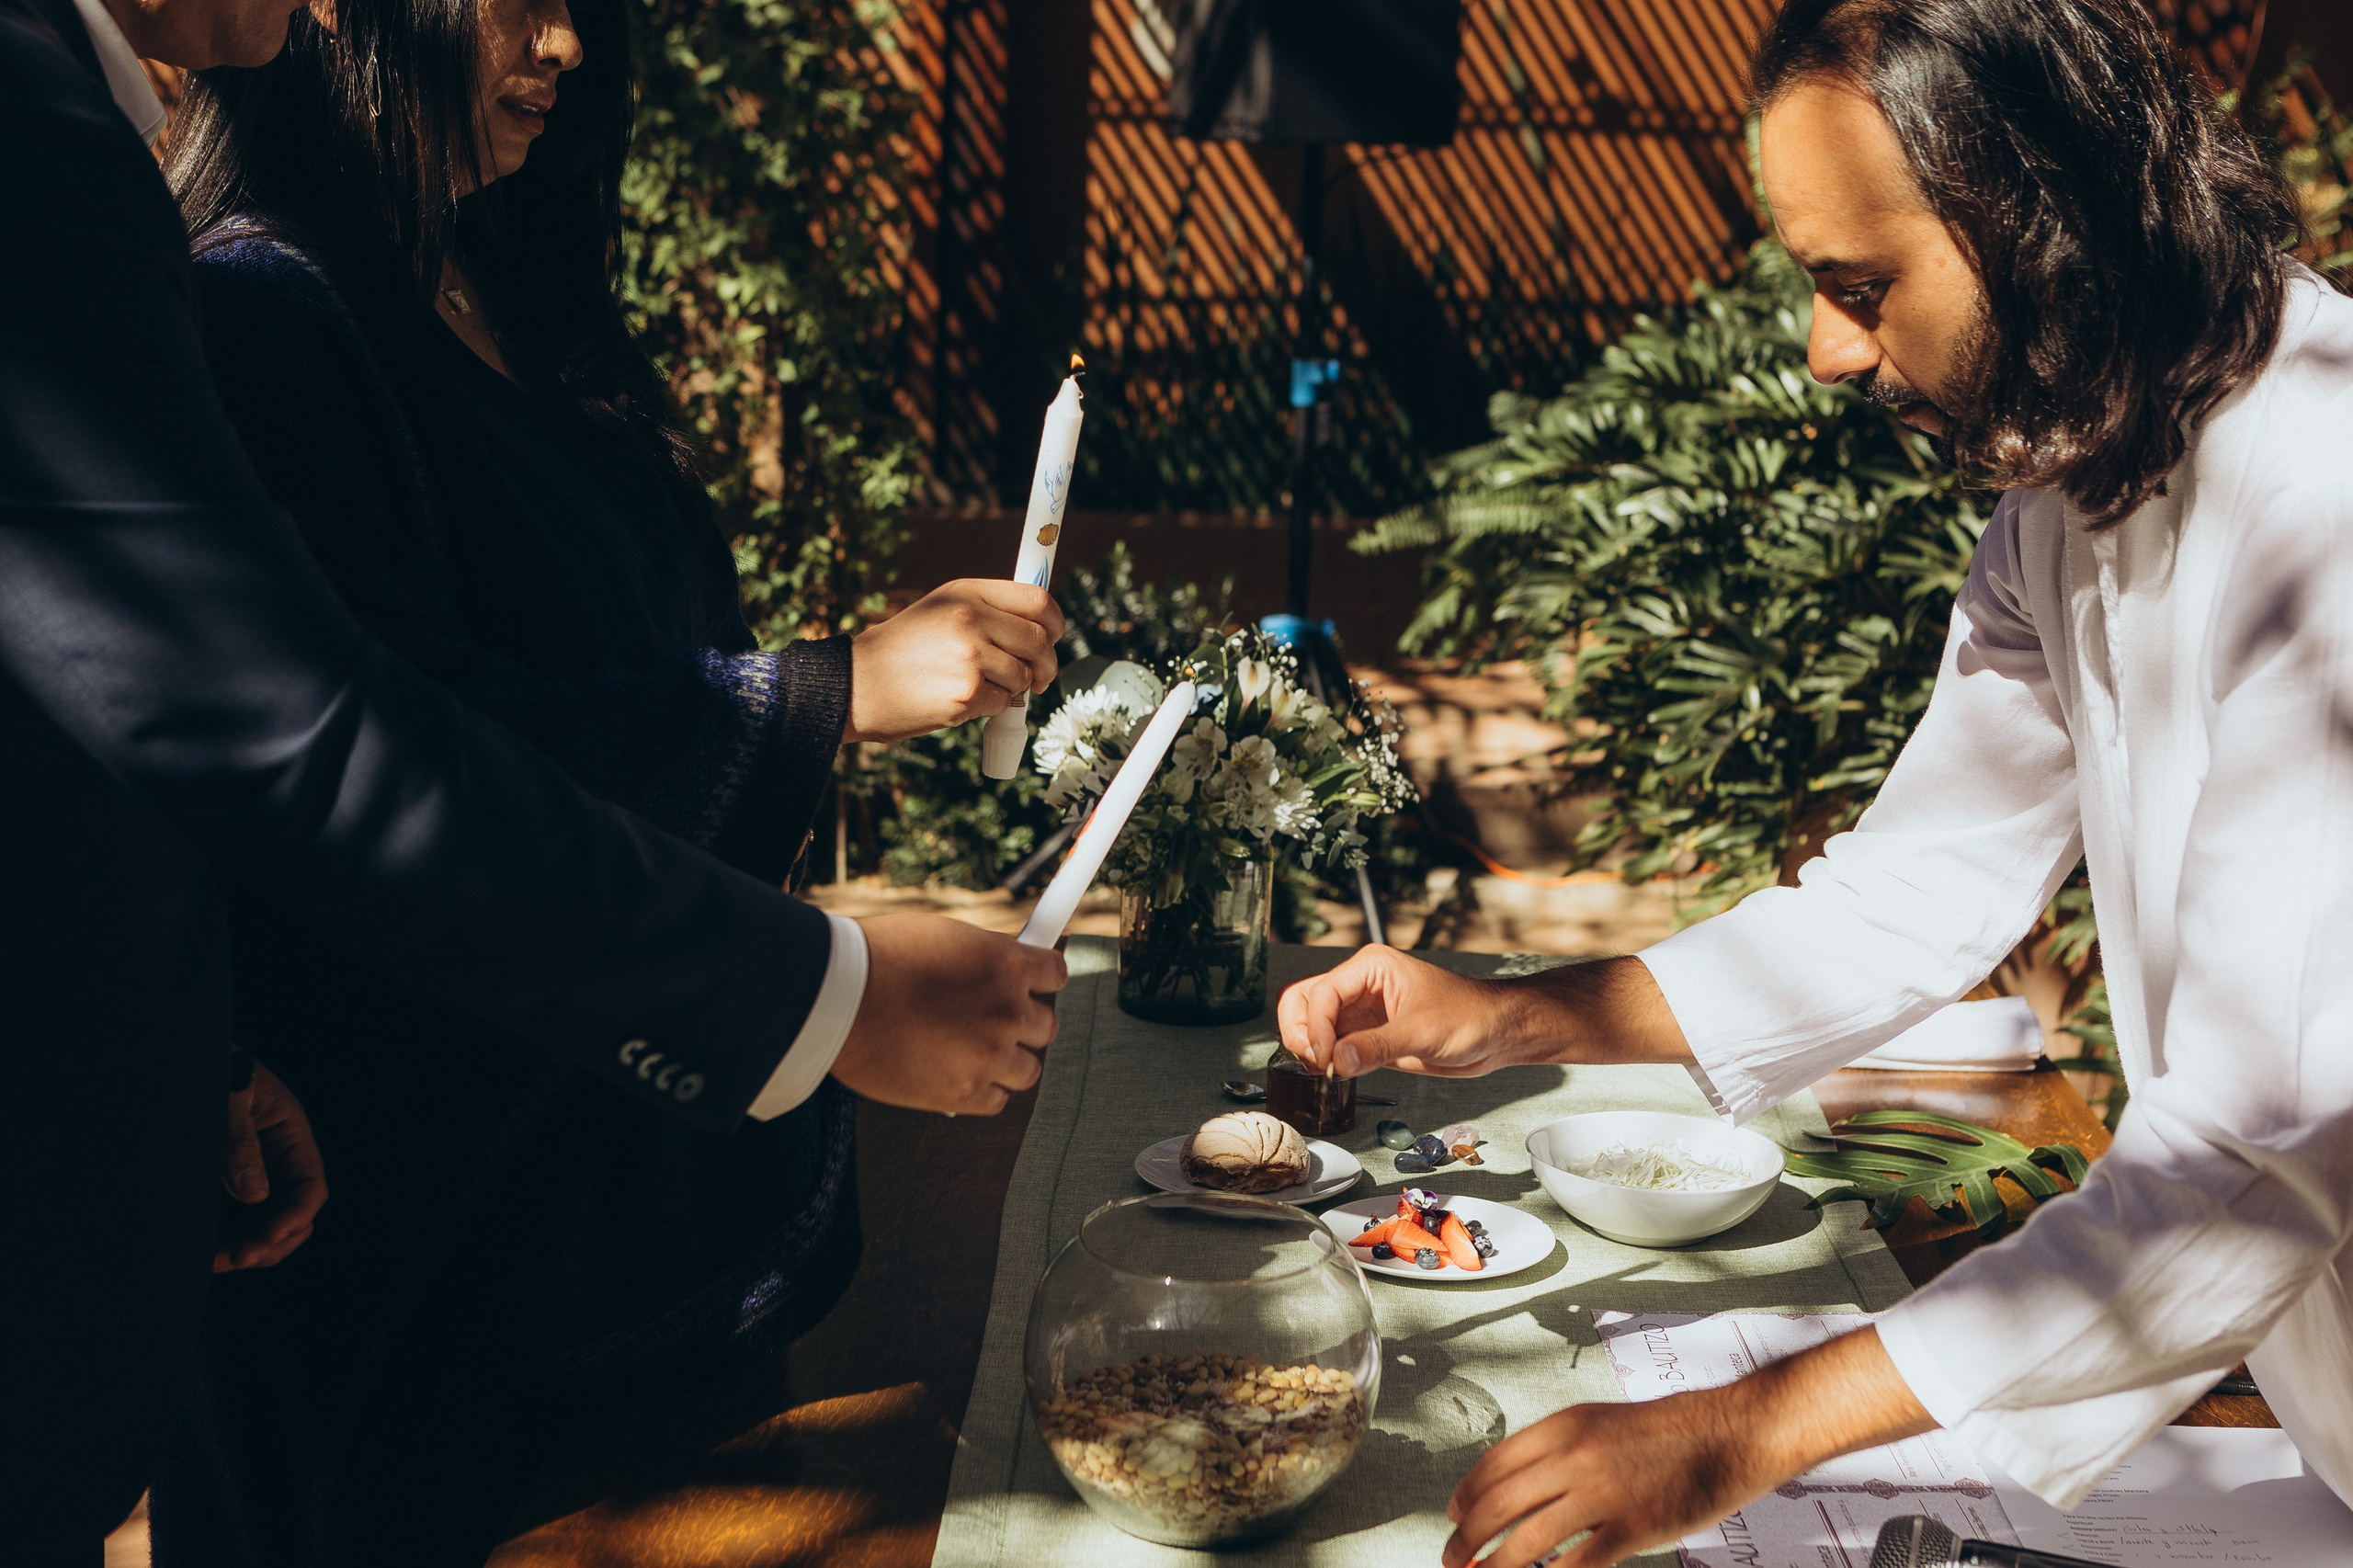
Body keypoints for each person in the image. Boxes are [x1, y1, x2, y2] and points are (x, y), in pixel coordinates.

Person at [1278, 2, 2353, 1565]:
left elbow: (2254, 1154)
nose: (1827, 350)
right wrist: (1521, 1017)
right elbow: (1909, 895)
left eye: (1864, 287)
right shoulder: (2064, 494)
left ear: (2046, 215)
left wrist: (1742, 1428)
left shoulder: (2331, 504)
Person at [0, 0, 1063, 1556]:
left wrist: (212, 1058)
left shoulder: (491, 280)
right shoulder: (239, 288)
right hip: (434, 1274)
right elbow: (317, 738)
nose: (564, 44)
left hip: (623, 1227)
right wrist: (816, 835)